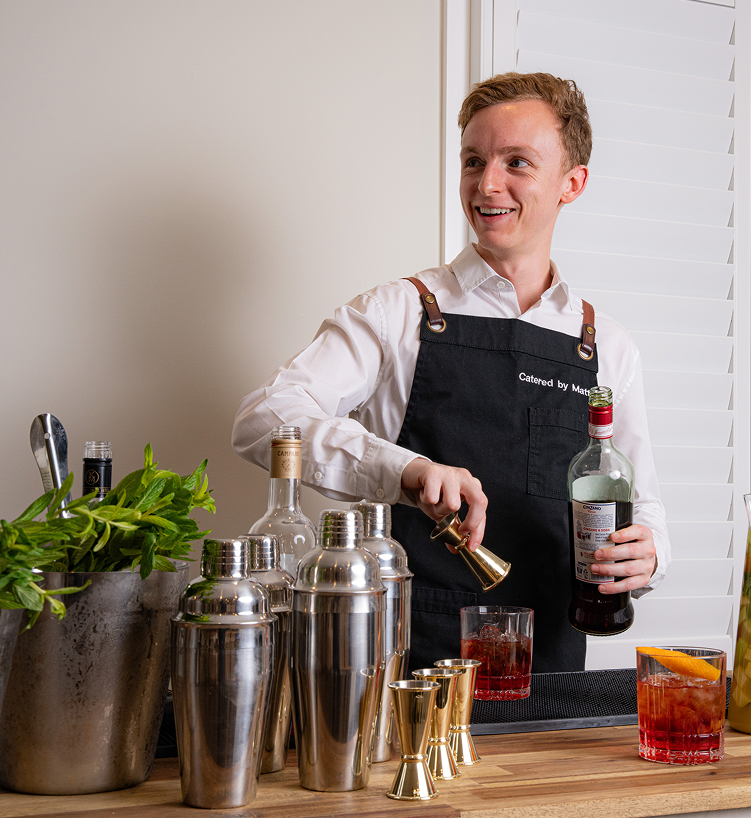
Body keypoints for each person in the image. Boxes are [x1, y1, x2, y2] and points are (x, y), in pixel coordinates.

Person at [233, 72, 670, 672]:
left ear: (572, 183)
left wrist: (649, 554)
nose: (487, 184)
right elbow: (263, 418)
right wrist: (405, 470)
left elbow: (642, 507)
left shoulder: (607, 346)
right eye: (473, 161)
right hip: (406, 669)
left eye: (517, 162)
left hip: (551, 673)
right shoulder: (398, 311)